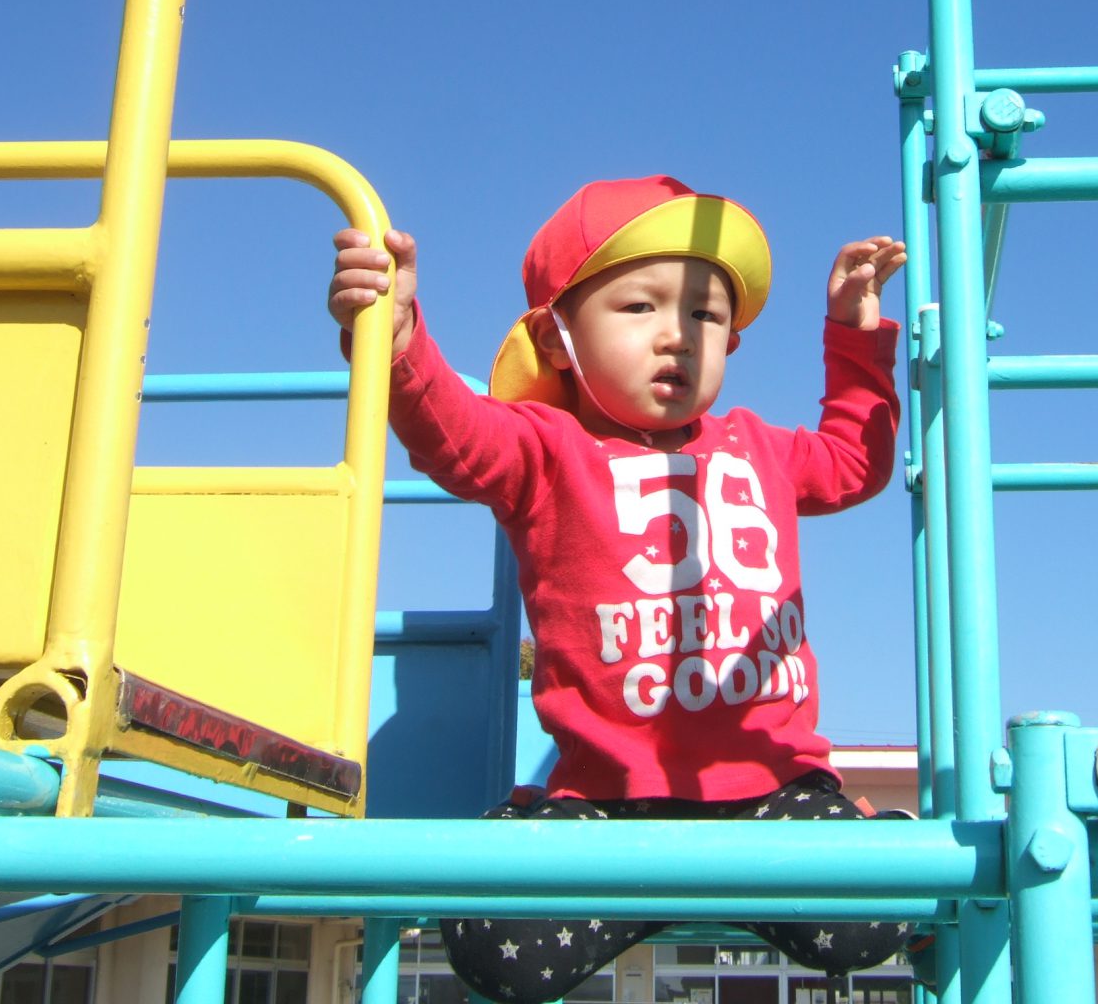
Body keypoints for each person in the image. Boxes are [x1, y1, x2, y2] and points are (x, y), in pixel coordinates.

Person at [328, 175, 910, 1004]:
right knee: (497, 954)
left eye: (706, 315)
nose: (678, 335)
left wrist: (854, 335)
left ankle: (831, 848)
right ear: (557, 337)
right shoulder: (545, 449)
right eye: (640, 307)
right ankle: (569, 849)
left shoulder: (761, 448)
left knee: (873, 921)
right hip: (611, 806)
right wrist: (397, 338)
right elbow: (452, 433)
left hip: (768, 793)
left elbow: (855, 461)